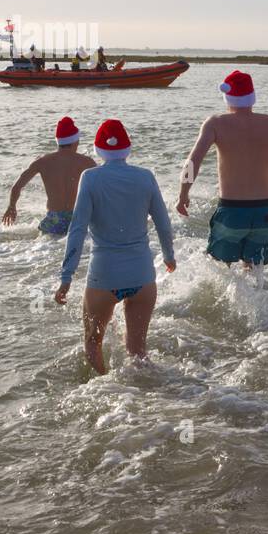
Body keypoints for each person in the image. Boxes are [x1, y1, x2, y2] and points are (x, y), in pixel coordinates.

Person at [56, 119, 176, 374]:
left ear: (99, 150)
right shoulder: (145, 177)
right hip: (142, 276)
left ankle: (108, 391)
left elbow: (77, 230)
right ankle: (141, 402)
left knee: (91, 344)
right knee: (138, 352)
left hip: (104, 277)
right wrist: (169, 257)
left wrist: (66, 277)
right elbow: (163, 224)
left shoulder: (90, 178)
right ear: (127, 148)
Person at [177, 70, 268, 266]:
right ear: (252, 97)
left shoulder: (215, 124)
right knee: (253, 272)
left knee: (220, 269)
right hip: (265, 211)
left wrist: (183, 195)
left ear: (227, 97)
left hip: (233, 210)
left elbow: (191, 163)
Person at [2, 116, 97, 236]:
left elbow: (17, 187)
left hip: (53, 221)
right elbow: (102, 189)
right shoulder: (87, 162)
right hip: (78, 220)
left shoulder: (42, 161)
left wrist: (12, 207)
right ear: (75, 141)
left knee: (48, 247)